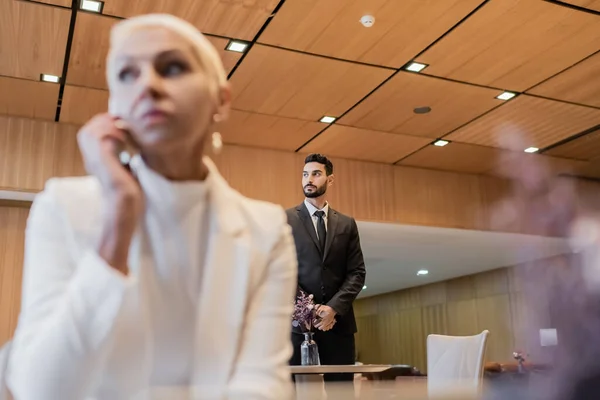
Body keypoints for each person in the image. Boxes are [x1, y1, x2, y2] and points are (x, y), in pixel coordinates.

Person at [5, 14, 297, 400]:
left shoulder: (267, 229)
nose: (147, 85)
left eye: (172, 67)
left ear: (220, 100)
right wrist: (118, 220)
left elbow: (262, 388)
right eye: (127, 74)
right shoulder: (63, 206)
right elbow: (39, 389)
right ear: (115, 107)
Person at [286, 154, 366, 385]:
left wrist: (332, 309)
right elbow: (283, 272)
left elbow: (357, 273)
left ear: (330, 180)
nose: (308, 179)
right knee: (292, 392)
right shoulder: (285, 219)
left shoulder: (347, 224)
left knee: (341, 391)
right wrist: (309, 309)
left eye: (316, 174)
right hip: (296, 326)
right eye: (305, 174)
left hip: (338, 324)